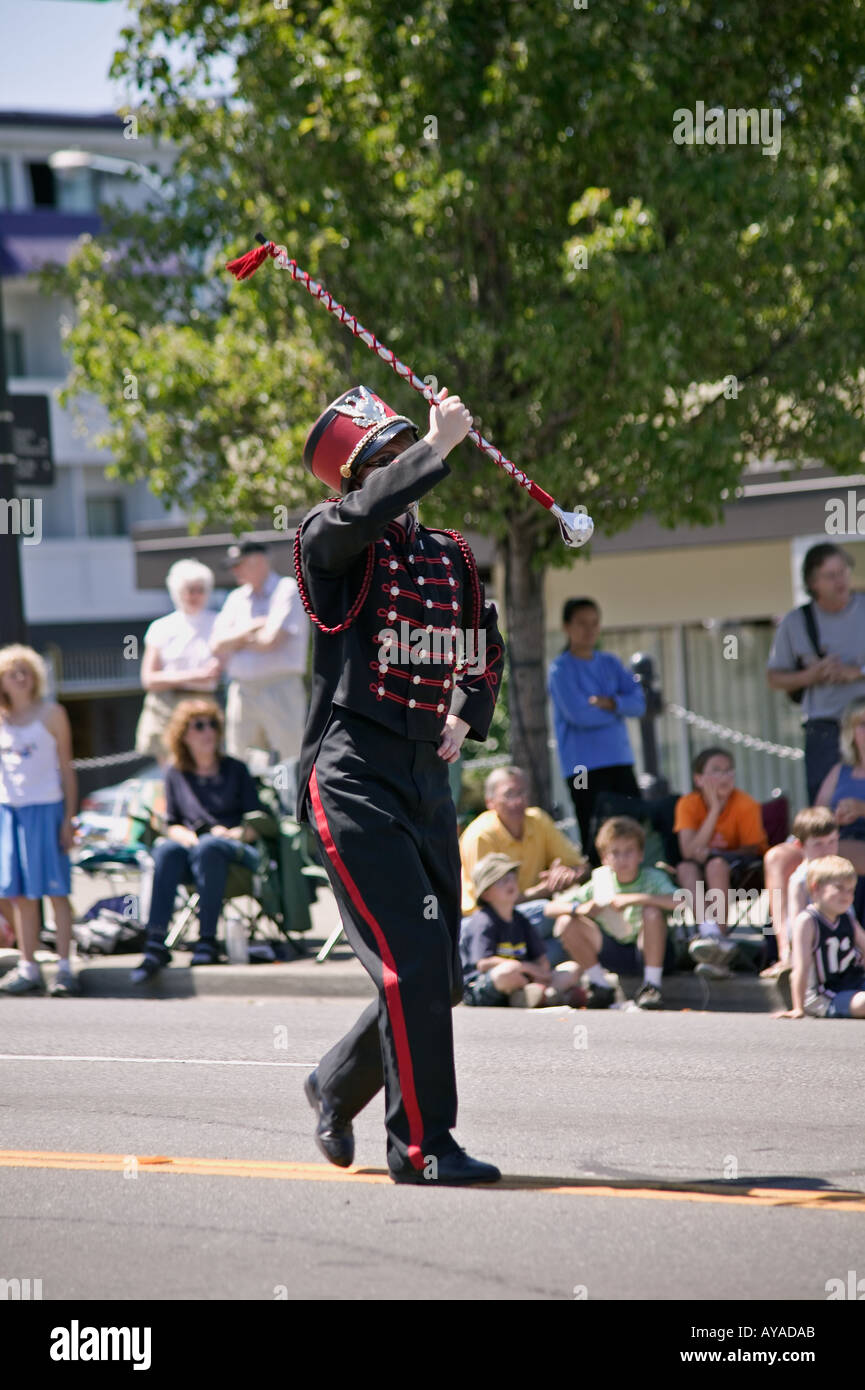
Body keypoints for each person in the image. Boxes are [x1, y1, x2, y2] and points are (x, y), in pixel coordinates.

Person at [294, 383, 505, 1186]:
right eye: (384, 456)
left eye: (406, 445)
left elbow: (482, 644)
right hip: (350, 775)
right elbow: (355, 520)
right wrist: (440, 449)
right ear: (355, 477)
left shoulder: (449, 553)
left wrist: (466, 713)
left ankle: (334, 1081)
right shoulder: (331, 537)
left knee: (439, 976)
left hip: (423, 772)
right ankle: (421, 1148)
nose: (404, 461)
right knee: (411, 959)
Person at [130, 698, 263, 981]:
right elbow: (171, 824)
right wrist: (186, 837)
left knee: (210, 846)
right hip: (194, 853)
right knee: (166, 849)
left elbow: (258, 823)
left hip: (235, 852)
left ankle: (207, 940)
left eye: (213, 724)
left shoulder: (236, 769)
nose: (208, 732)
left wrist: (233, 833)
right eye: (199, 726)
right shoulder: (176, 774)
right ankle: (155, 942)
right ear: (184, 735)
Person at [0, 644, 79, 996]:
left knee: (56, 891)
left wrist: (69, 818)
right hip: (10, 812)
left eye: (25, 671)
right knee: (20, 896)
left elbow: (67, 767)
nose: (20, 677)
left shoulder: (52, 713)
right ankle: (28, 965)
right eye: (12, 672)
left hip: (47, 809)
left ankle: (64, 967)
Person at [547, 597, 646, 862]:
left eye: (594, 623)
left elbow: (639, 705)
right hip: (583, 766)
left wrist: (610, 702)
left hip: (619, 759)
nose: (589, 630)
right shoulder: (560, 670)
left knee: (633, 825)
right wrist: (618, 709)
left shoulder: (611, 663)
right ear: (566, 627)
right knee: (595, 834)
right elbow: (579, 715)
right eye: (581, 623)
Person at [543, 816, 677, 1009]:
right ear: (605, 858)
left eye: (629, 851)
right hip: (613, 951)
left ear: (640, 854)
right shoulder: (600, 881)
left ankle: (652, 986)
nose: (622, 859)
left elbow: (681, 900)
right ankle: (600, 985)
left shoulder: (653, 878)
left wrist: (635, 899)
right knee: (566, 921)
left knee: (652, 912)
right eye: (615, 852)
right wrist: (580, 908)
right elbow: (549, 908)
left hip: (649, 950)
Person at [767, 543, 865, 802]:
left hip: (862, 720)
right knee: (824, 807)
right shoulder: (795, 622)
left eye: (843, 572)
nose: (840, 581)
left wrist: (857, 672)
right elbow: (774, 677)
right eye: (830, 576)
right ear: (812, 583)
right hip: (823, 728)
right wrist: (811, 676)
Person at [459, 766, 586, 958]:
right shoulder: (480, 836)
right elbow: (493, 904)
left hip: (524, 915)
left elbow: (582, 867)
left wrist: (565, 874)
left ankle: (530, 972)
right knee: (566, 915)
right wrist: (544, 890)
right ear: (490, 802)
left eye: (522, 792)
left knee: (574, 930)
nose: (518, 801)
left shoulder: (538, 819)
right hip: (485, 922)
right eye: (509, 794)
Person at [210, 540, 309, 765]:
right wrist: (252, 627)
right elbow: (216, 645)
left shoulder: (286, 589)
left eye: (239, 564)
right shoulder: (236, 597)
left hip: (280, 686)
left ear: (258, 561)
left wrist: (235, 640)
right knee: (238, 759)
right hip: (242, 689)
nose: (234, 571)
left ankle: (293, 801)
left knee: (291, 758)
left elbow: (269, 641)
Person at [674, 747, 768, 978]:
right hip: (700, 870)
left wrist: (714, 854)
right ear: (699, 779)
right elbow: (689, 852)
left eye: (728, 771)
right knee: (684, 868)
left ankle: (717, 942)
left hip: (744, 873)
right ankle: (711, 933)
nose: (724, 777)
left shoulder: (746, 804)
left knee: (716, 864)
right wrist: (714, 809)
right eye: (716, 771)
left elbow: (751, 848)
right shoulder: (688, 803)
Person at [460, 853, 587, 1009]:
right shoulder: (483, 921)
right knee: (507, 971)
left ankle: (538, 996)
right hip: (485, 986)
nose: (510, 883)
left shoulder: (521, 920)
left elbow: (542, 961)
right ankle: (548, 996)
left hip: (525, 979)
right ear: (486, 894)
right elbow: (483, 964)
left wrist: (541, 972)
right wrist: (524, 967)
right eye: (501, 881)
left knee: (572, 968)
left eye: (512, 877)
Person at [134, 558, 222, 764]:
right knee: (170, 771)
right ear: (178, 591)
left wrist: (177, 677)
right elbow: (149, 679)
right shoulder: (161, 627)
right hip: (166, 706)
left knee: (204, 766)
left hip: (203, 706)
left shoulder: (219, 622)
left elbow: (214, 673)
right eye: (189, 589)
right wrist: (193, 676)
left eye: (200, 590)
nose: (195, 595)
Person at [778, 855, 865, 1019]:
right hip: (824, 995)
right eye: (839, 888)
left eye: (850, 890)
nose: (846, 895)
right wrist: (798, 1008)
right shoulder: (807, 921)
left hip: (853, 984)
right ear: (816, 888)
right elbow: (800, 968)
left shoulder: (847, 917)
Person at [760, 807, 839, 979]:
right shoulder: (800, 880)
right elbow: (797, 922)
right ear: (799, 846)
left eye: (832, 842)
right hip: (806, 943)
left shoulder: (839, 873)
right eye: (818, 844)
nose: (827, 850)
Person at [814, 696, 865, 876]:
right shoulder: (839, 771)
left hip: (854, 843)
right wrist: (834, 818)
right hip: (836, 837)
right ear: (850, 732)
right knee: (779, 856)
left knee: (822, 854)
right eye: (863, 724)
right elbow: (816, 816)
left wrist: (862, 810)